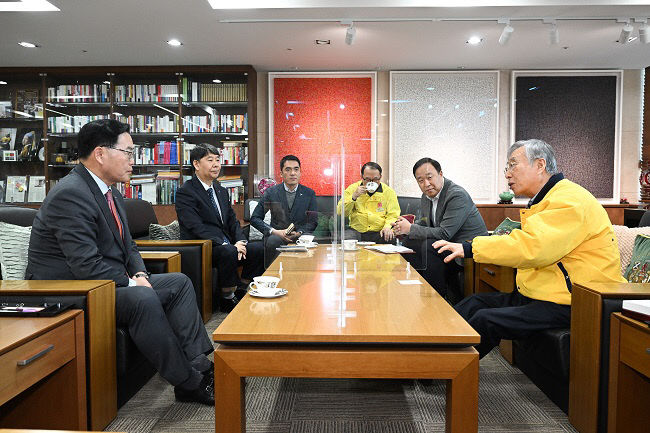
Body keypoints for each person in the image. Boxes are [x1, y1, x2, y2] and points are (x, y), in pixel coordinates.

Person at [25, 119, 215, 405]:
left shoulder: (110, 191)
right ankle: (188, 383)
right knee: (142, 297)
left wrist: (139, 271)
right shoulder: (71, 193)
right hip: (69, 290)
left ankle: (198, 363)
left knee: (178, 282)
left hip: (103, 283)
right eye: (127, 152)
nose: (133, 161)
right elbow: (85, 266)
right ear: (101, 154)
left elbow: (128, 246)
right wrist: (132, 282)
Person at [434, 139, 627, 358]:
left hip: (572, 301)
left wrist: (470, 248)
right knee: (474, 302)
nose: (507, 174)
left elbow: (534, 247)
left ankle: (442, 367)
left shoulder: (569, 199)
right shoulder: (545, 199)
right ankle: (429, 351)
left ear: (540, 165)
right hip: (542, 294)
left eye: (513, 165)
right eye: (507, 167)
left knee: (485, 320)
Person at [175, 143, 264, 312]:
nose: (216, 164)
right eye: (210, 160)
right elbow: (195, 227)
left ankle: (241, 290)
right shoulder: (186, 192)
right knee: (228, 251)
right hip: (202, 246)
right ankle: (227, 299)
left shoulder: (220, 190)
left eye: (218, 160)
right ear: (196, 164)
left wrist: (240, 241)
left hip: (226, 245)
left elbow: (232, 220)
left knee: (258, 248)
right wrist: (227, 245)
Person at [392, 157, 487, 302]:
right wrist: (403, 229)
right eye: (421, 180)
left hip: (466, 249)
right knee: (410, 242)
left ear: (440, 174)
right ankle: (416, 290)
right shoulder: (426, 197)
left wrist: (411, 228)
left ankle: (437, 298)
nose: (426, 184)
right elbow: (425, 226)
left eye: (430, 177)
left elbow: (444, 233)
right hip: (446, 246)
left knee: (429, 246)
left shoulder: (456, 195)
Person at [250, 154, 318, 267]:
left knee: (312, 243)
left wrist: (299, 233)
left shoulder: (309, 193)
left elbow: (313, 221)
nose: (292, 173)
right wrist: (274, 231)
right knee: (273, 241)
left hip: (300, 236)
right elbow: (255, 218)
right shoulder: (271, 192)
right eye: (288, 169)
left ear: (300, 172)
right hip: (277, 236)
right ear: (281, 173)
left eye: (296, 169)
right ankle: (272, 275)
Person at [336, 161, 400, 243]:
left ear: (380, 177)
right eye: (368, 179)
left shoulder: (388, 192)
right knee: (345, 241)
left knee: (389, 239)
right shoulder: (352, 189)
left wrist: (387, 227)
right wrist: (353, 197)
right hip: (356, 231)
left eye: (376, 179)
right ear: (362, 177)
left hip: (379, 231)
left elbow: (393, 214)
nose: (372, 183)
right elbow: (340, 212)